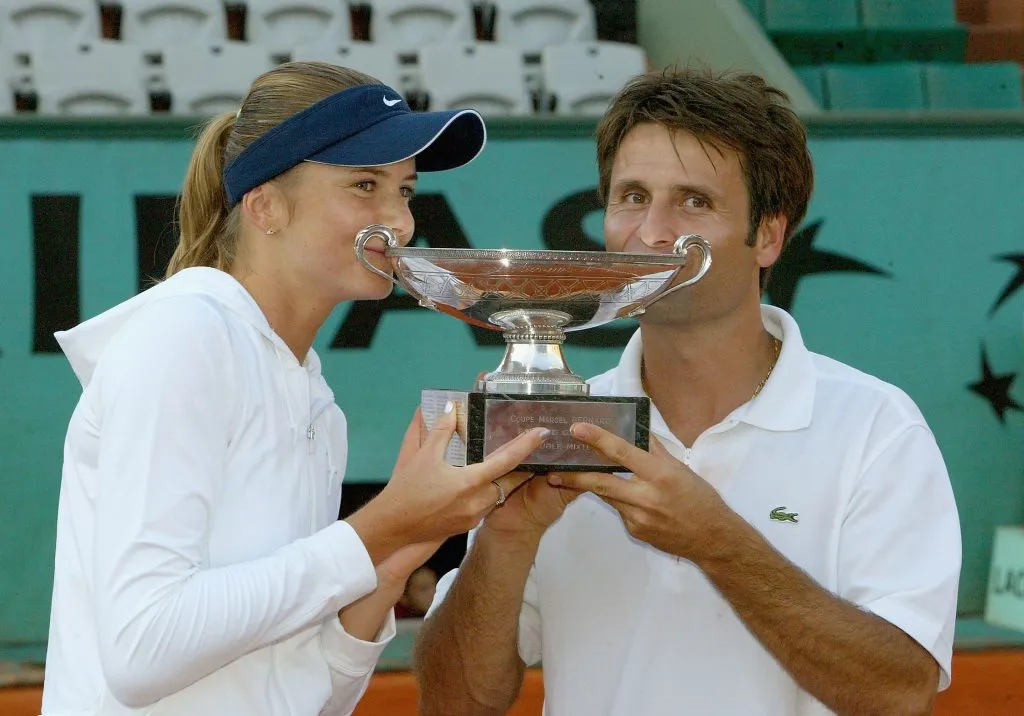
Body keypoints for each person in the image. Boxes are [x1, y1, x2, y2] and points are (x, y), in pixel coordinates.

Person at [414, 68, 962, 716]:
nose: (652, 231)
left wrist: (718, 542)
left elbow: (901, 692)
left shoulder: (876, 429)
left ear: (768, 236)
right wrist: (505, 539)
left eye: (694, 201)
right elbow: (453, 704)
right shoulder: (555, 426)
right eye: (632, 196)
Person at [41, 62, 547, 716]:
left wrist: (401, 549)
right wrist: (382, 525)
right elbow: (142, 650)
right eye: (364, 185)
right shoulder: (184, 335)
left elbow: (309, 696)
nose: (398, 221)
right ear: (265, 206)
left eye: (405, 191)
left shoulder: (314, 400)